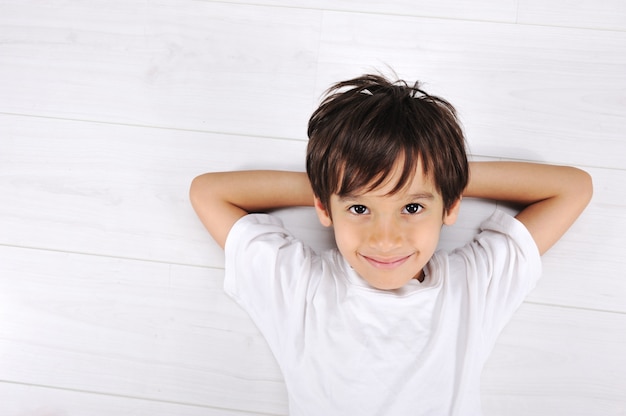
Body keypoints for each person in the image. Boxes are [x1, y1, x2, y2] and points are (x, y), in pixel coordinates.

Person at [189, 74, 592, 415]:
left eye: (412, 206)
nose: (384, 239)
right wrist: (337, 182)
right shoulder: (301, 289)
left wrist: (437, 173)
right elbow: (207, 193)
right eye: (360, 208)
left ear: (449, 205)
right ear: (325, 209)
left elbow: (573, 188)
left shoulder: (471, 289)